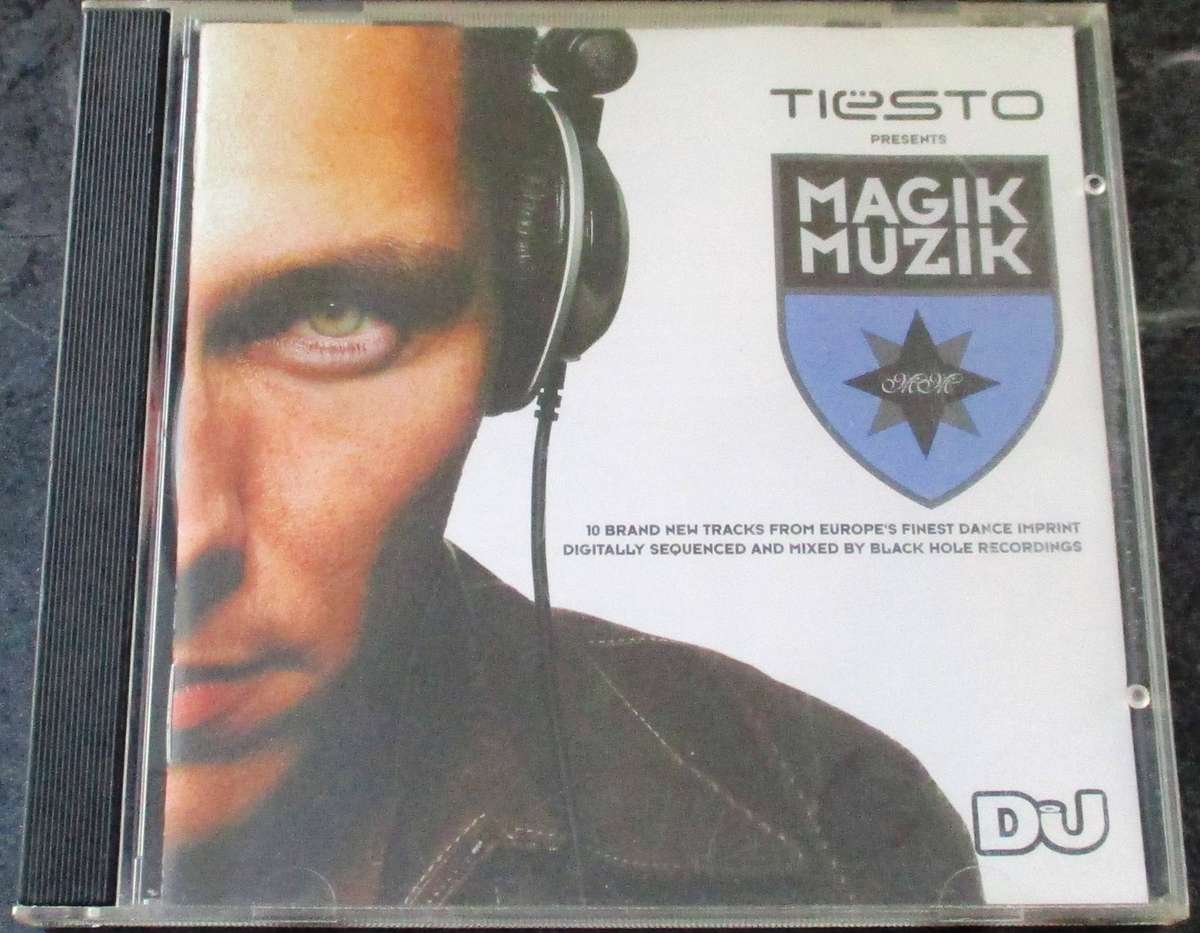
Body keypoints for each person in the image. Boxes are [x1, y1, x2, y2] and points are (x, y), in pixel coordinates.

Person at [163, 21, 982, 907]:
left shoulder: (837, 818)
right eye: (92, 323)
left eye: (334, 315)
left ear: (528, 314)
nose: (187, 539)